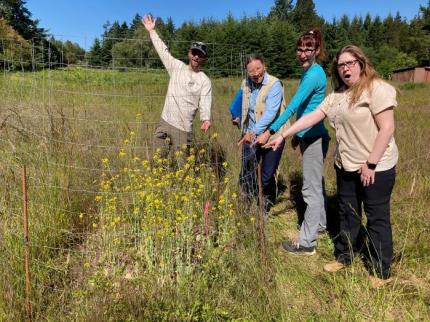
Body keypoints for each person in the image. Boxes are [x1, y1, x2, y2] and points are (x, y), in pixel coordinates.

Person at [264, 45, 398, 288]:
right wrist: (282, 135)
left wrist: (371, 163)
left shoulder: (377, 89)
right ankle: (345, 257)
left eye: (350, 63)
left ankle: (381, 270)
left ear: (361, 63)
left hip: (375, 166)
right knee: (347, 213)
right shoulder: (337, 96)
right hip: (345, 165)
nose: (346, 68)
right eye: (341, 65)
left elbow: (387, 128)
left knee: (377, 218)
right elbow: (311, 117)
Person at [256, 28, 329, 256]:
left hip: (315, 137)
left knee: (310, 189)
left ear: (317, 50)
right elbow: (308, 107)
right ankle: (321, 225)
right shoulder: (309, 73)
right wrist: (298, 134)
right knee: (315, 185)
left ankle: (307, 242)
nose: (303, 54)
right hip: (309, 135)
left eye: (308, 49)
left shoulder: (315, 73)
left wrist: (273, 130)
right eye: (299, 49)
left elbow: (294, 105)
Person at [142, 15, 212, 157]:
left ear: (204, 58)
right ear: (189, 53)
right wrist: (152, 31)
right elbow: (163, 51)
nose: (196, 57)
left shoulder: (205, 80)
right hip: (165, 120)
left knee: (183, 165)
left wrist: (205, 118)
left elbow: (206, 101)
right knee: (157, 160)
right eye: (194, 53)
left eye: (200, 54)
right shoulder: (176, 66)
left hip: (183, 127)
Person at [230, 54, 287, 214]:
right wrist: (236, 117)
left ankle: (264, 208)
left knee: (267, 175)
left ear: (264, 66)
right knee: (247, 172)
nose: (255, 73)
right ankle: (245, 207)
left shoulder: (274, 84)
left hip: (272, 135)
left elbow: (271, 113)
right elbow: (241, 104)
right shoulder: (245, 84)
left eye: (258, 68)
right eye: (251, 71)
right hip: (250, 135)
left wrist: (253, 132)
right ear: (247, 72)